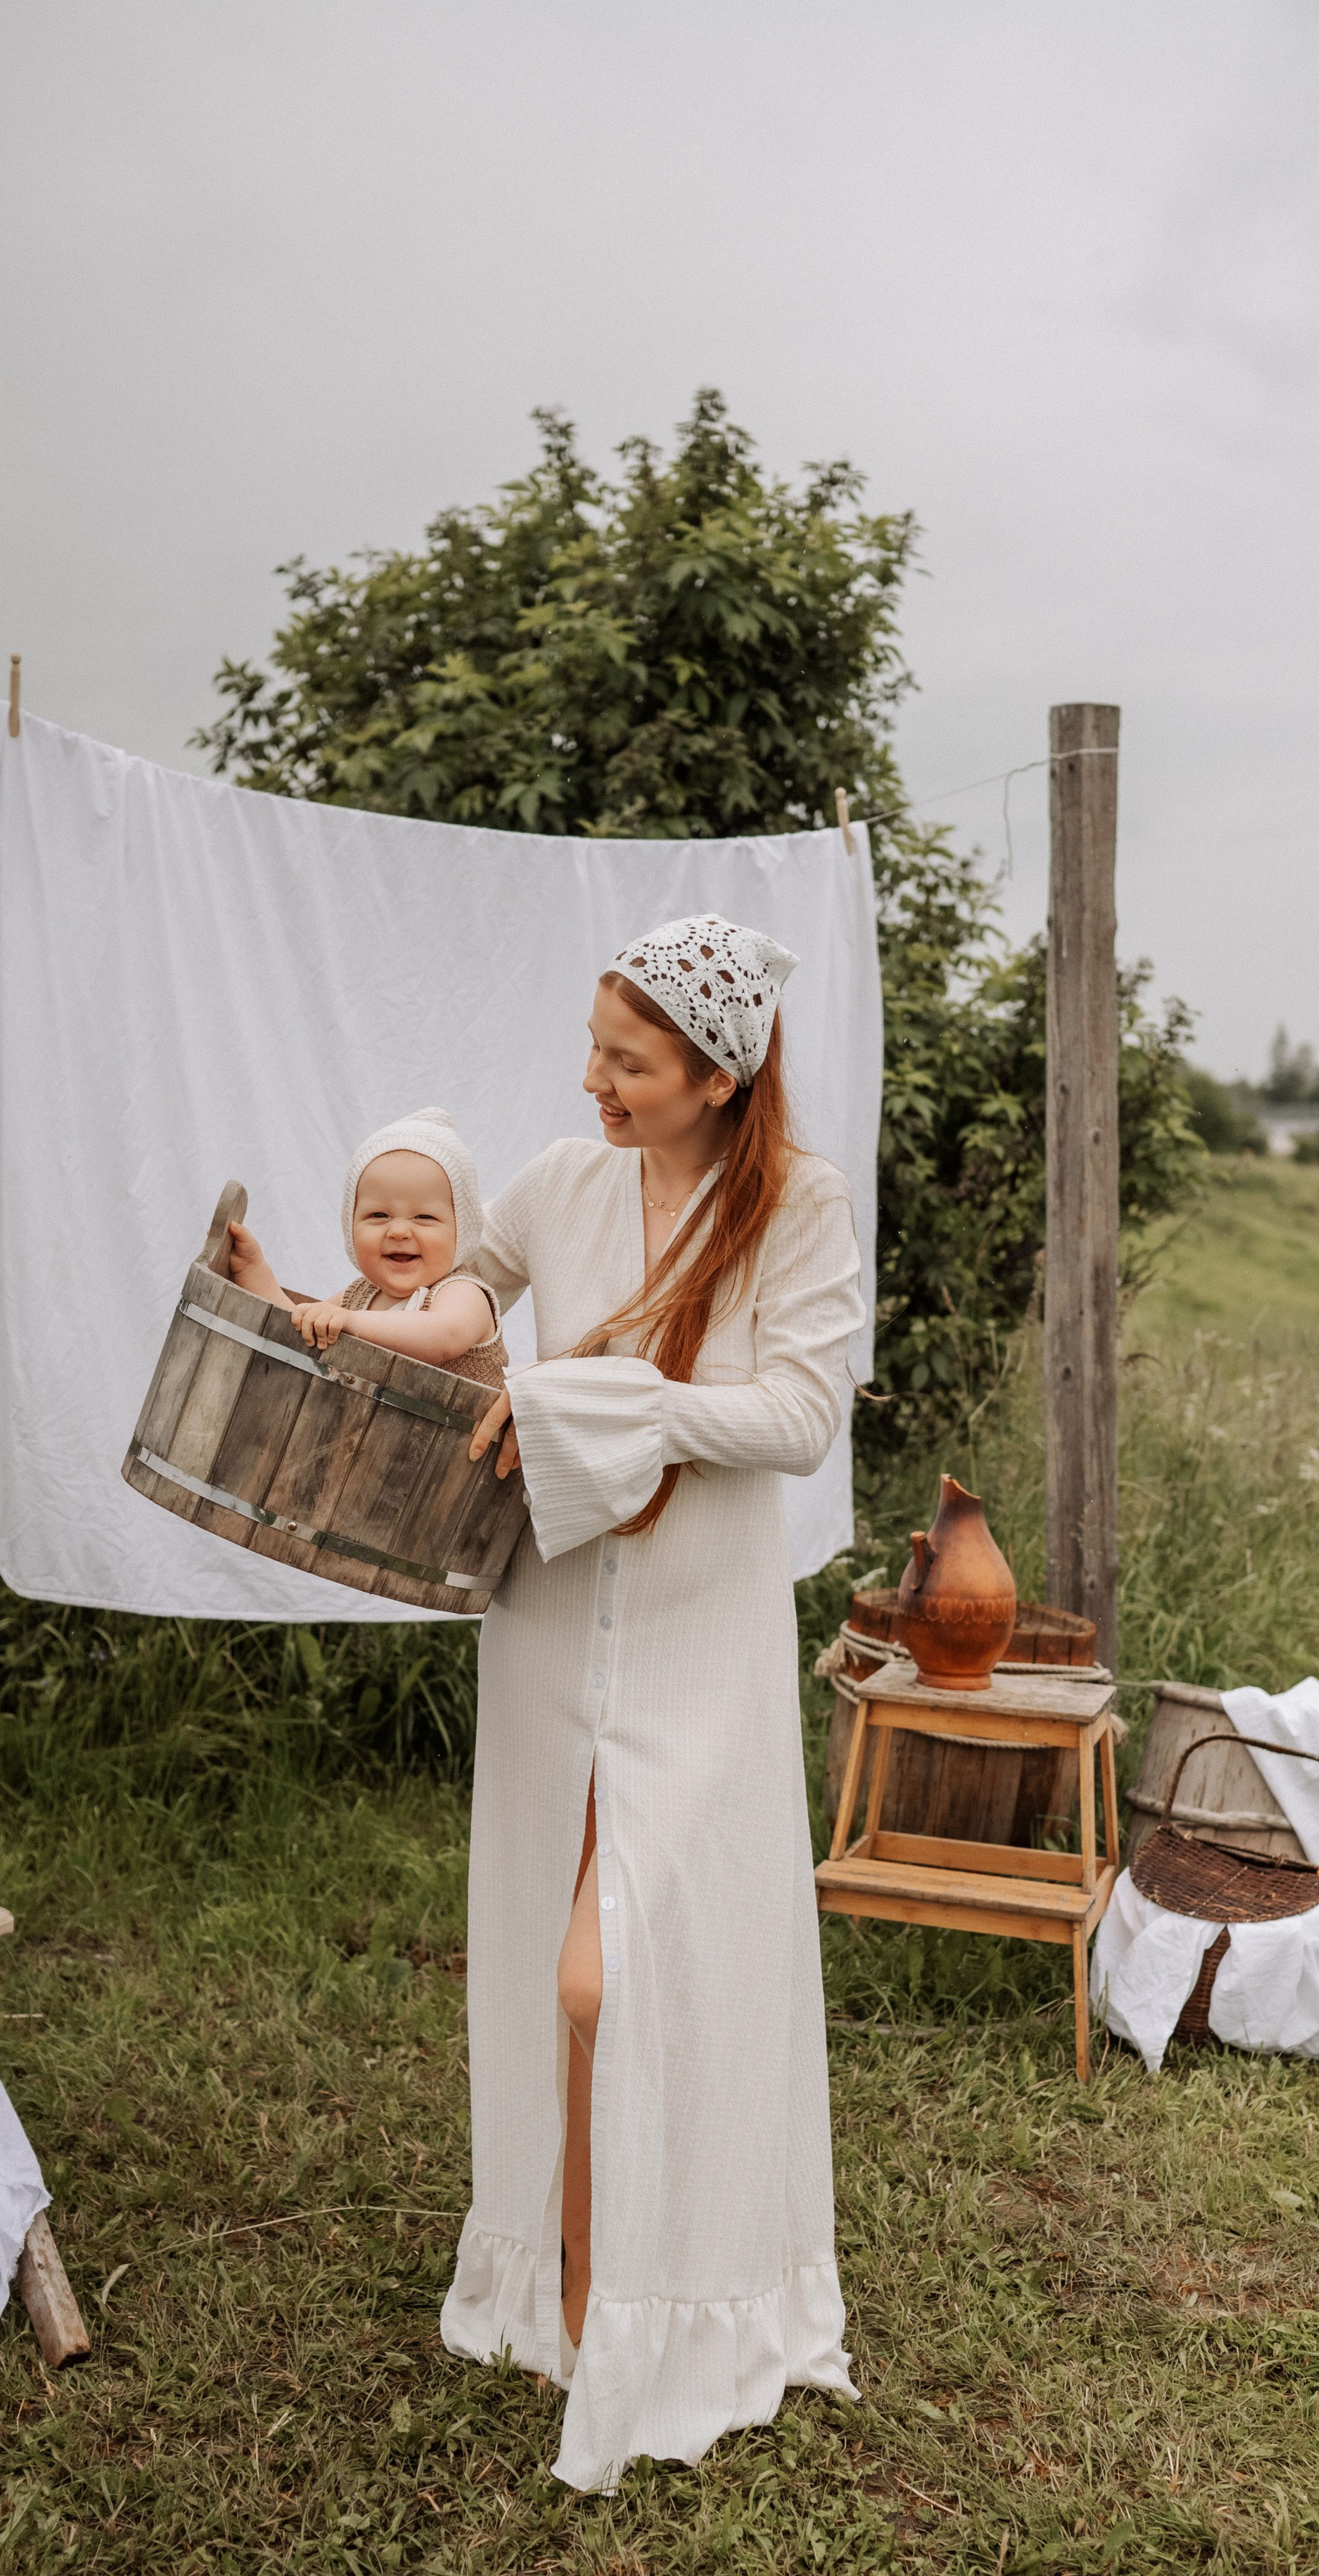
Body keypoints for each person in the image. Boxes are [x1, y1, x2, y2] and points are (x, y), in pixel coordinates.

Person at [439, 915, 865, 2492]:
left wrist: (609, 1406)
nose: (594, 1080)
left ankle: (677, 2300)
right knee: (541, 1965)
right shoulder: (556, 1186)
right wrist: (337, 1302)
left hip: (699, 1634)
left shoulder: (797, 1210)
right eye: (596, 1051)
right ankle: (557, 2294)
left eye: (626, 1061)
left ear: (712, 1072)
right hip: (549, 1618)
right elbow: (455, 1307)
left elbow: (801, 1416)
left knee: (632, 1976)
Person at [224, 1106, 507, 1386]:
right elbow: (298, 1331)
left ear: (461, 1231)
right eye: (378, 1216)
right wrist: (254, 1271)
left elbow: (446, 1336)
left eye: (424, 1217)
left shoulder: (462, 1292)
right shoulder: (357, 1297)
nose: (398, 1231)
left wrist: (354, 1323)